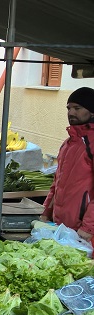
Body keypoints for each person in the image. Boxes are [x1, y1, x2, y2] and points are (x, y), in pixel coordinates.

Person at [41, 87, 94, 243]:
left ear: (91, 112)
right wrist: (46, 211)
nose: (71, 113)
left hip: (85, 233)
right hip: (62, 228)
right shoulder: (68, 144)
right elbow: (57, 183)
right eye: (69, 108)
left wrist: (88, 228)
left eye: (77, 108)